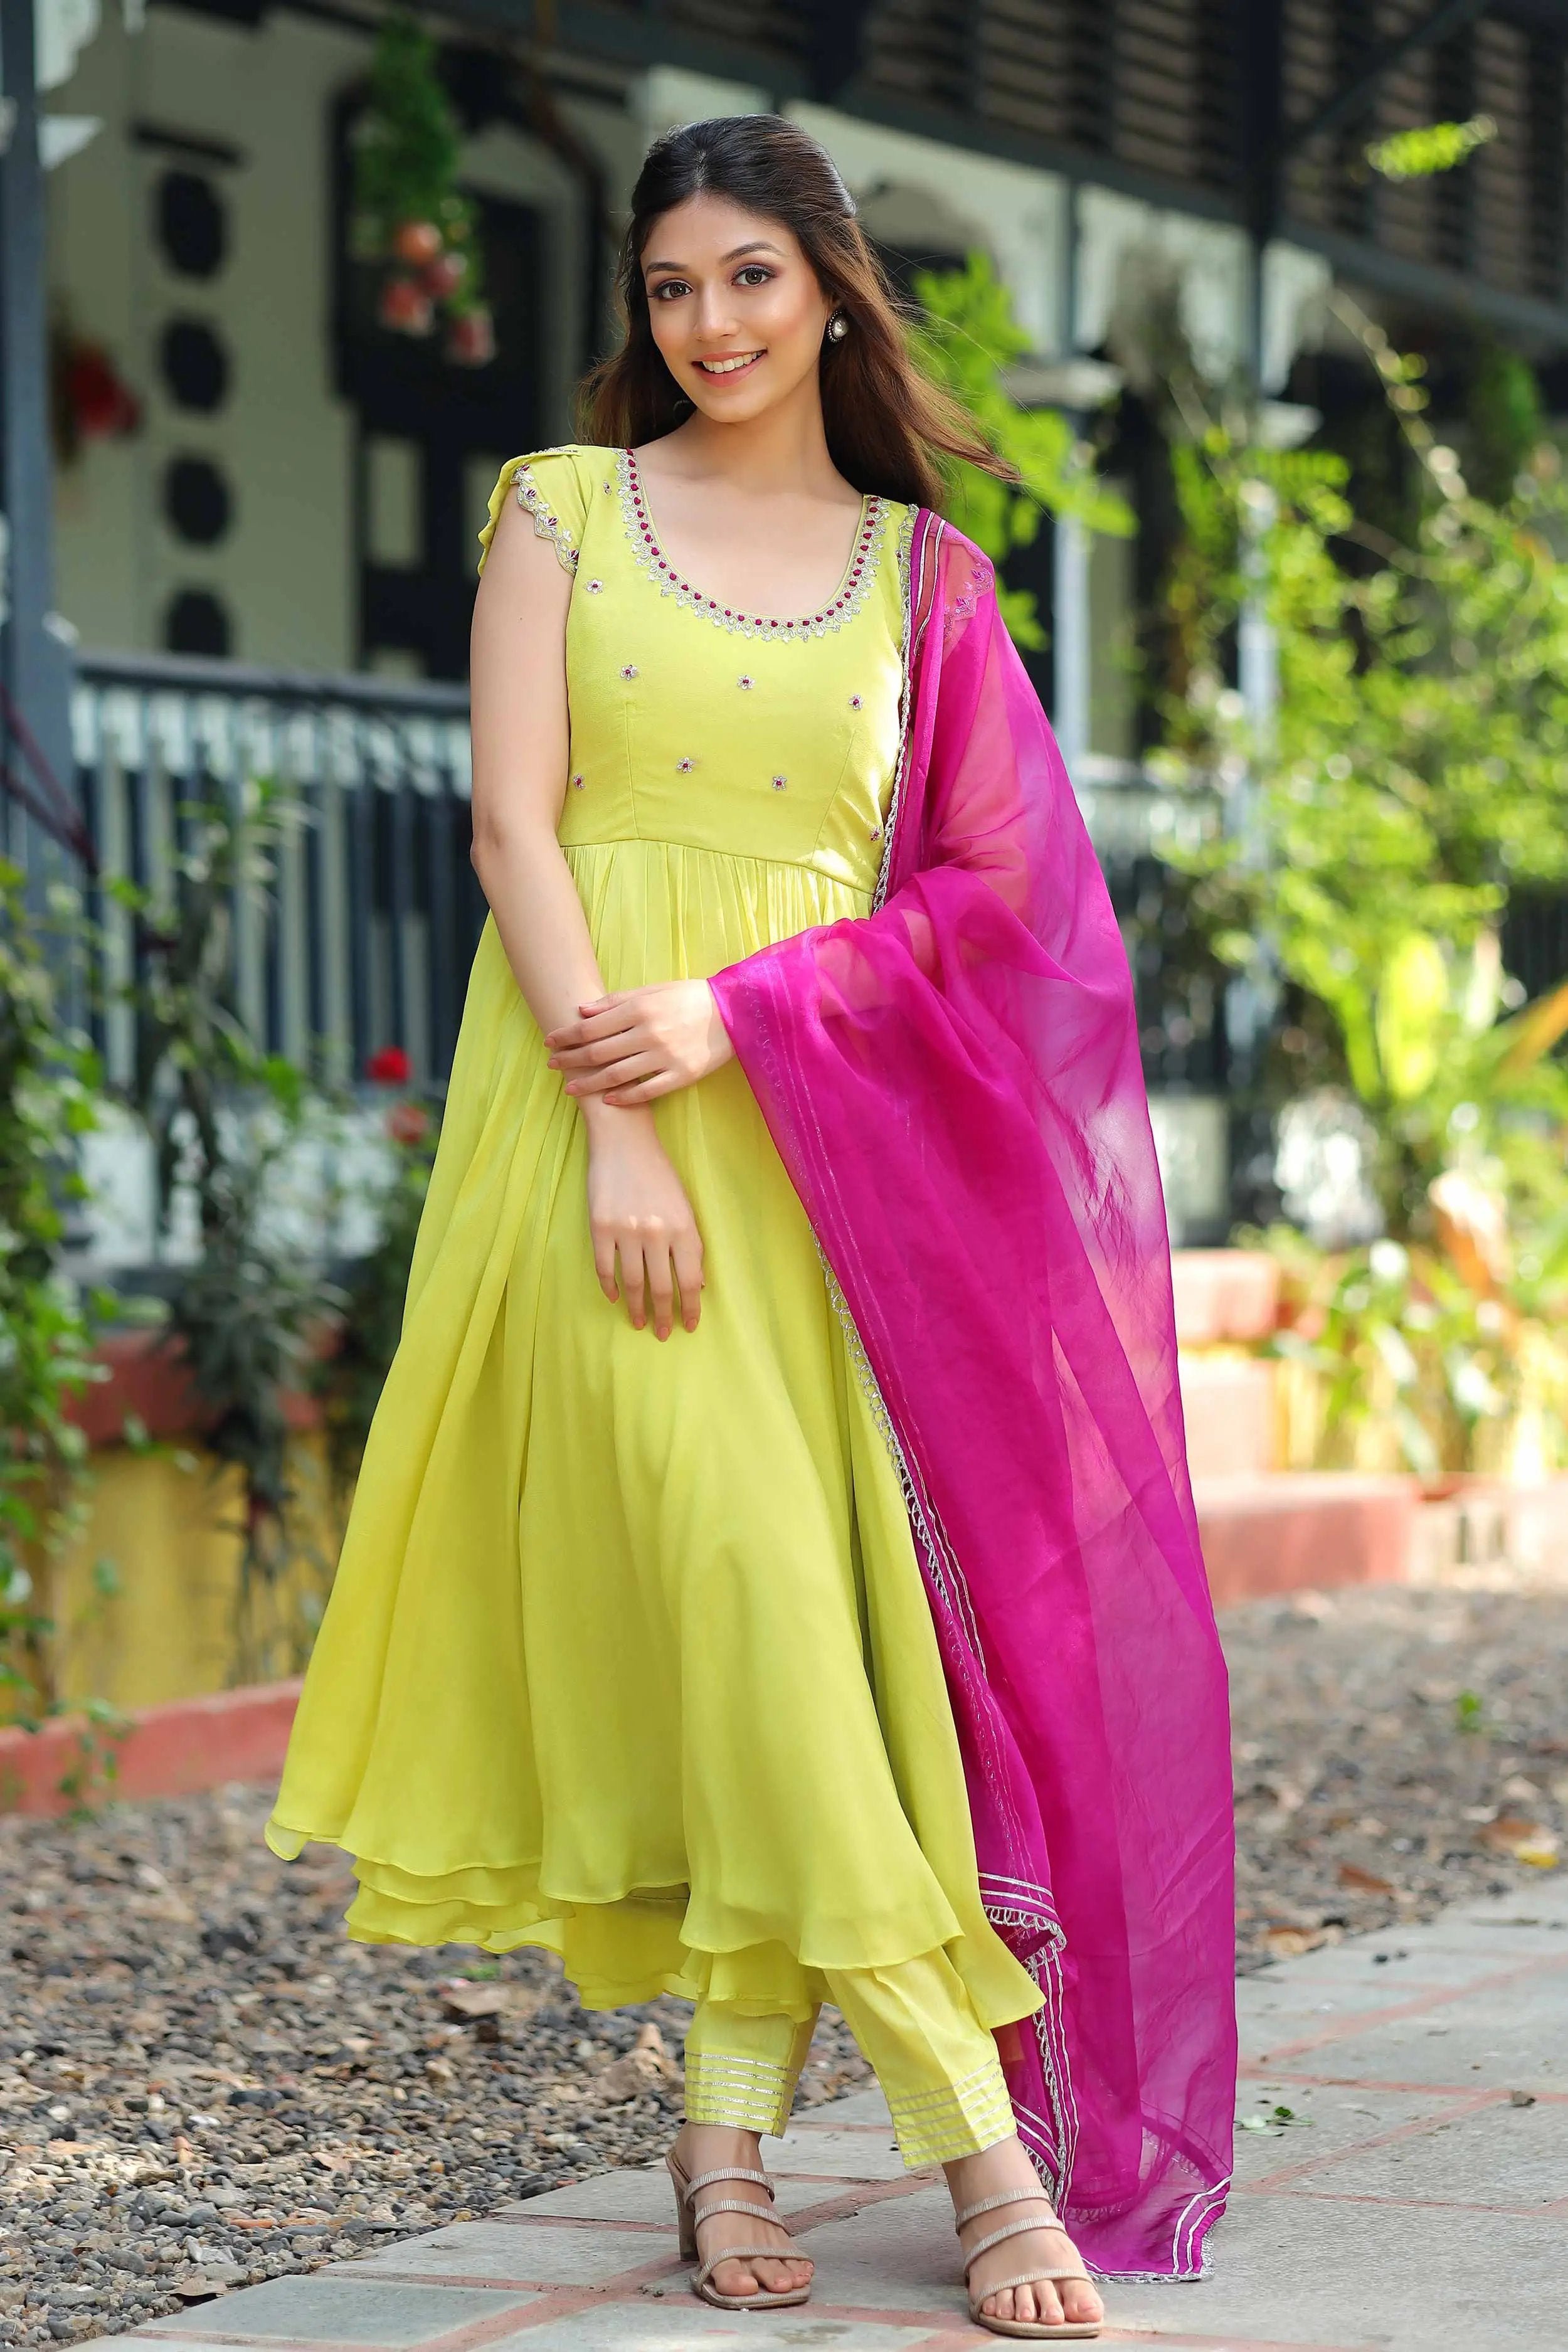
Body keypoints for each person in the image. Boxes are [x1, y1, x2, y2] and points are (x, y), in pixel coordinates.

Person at [268, 113, 1237, 2341]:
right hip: (592, 1125)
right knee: (751, 1598)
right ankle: (980, 2159)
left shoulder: (925, 579)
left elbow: (997, 901)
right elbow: (516, 828)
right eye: (669, 286)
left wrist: (749, 1015)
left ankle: (717, 2140)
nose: (706, 325)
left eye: (747, 280)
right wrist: (621, 1113)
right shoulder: (560, 509)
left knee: (782, 1624)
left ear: (828, 286)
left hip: (832, 1159)